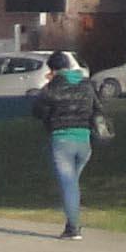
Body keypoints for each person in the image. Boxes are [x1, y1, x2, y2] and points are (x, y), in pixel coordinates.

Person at [30, 51, 104, 237]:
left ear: (53, 69)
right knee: (72, 183)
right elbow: (98, 109)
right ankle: (70, 221)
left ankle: (73, 229)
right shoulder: (87, 86)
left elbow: (38, 111)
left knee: (69, 185)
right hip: (84, 140)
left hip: (62, 140)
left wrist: (47, 85)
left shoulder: (51, 88)